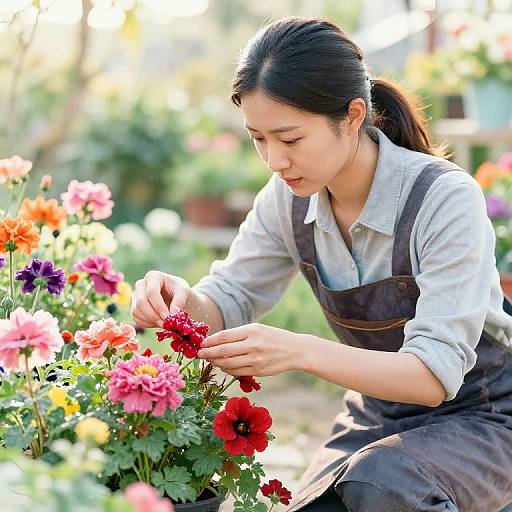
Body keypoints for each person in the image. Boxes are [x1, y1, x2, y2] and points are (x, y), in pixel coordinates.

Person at [131, 17, 512, 512]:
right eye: (257, 138)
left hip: (484, 417)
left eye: (289, 139)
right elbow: (231, 298)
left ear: (353, 116)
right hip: (379, 416)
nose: (273, 160)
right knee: (322, 503)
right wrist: (179, 303)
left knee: (381, 485)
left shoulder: (442, 198)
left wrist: (298, 351)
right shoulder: (288, 200)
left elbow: (432, 378)